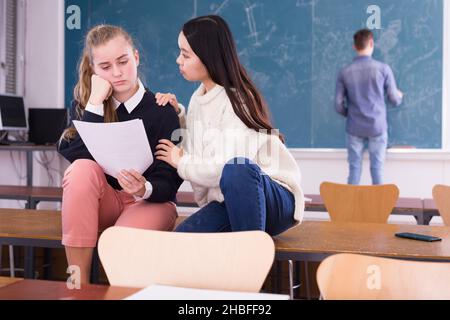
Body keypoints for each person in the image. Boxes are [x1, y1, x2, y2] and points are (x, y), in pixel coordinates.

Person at [154, 15, 304, 236]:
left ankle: (250, 264)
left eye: (185, 54)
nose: (178, 60)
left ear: (208, 56)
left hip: (271, 196)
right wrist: (178, 115)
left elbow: (223, 168)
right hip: (229, 200)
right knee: (182, 241)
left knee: (236, 169)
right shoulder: (198, 98)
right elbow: (203, 149)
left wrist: (181, 161)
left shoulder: (239, 99)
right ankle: (240, 259)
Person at [58, 25, 183, 284]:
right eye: (105, 67)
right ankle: (76, 283)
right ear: (94, 70)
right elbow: (75, 152)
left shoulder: (163, 109)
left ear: (135, 57)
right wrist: (94, 104)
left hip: (150, 202)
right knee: (81, 169)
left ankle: (121, 292)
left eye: (123, 61)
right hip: (106, 200)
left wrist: (144, 188)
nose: (117, 73)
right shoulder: (87, 105)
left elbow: (170, 177)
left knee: (121, 242)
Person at [335, 28, 403, 185]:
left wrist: (351, 113)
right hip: (377, 126)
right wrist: (399, 96)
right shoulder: (383, 69)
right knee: (377, 170)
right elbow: (394, 99)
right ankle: (378, 210)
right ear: (371, 43)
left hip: (354, 127)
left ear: (354, 46)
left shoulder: (345, 72)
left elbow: (338, 105)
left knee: (354, 169)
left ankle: (350, 209)